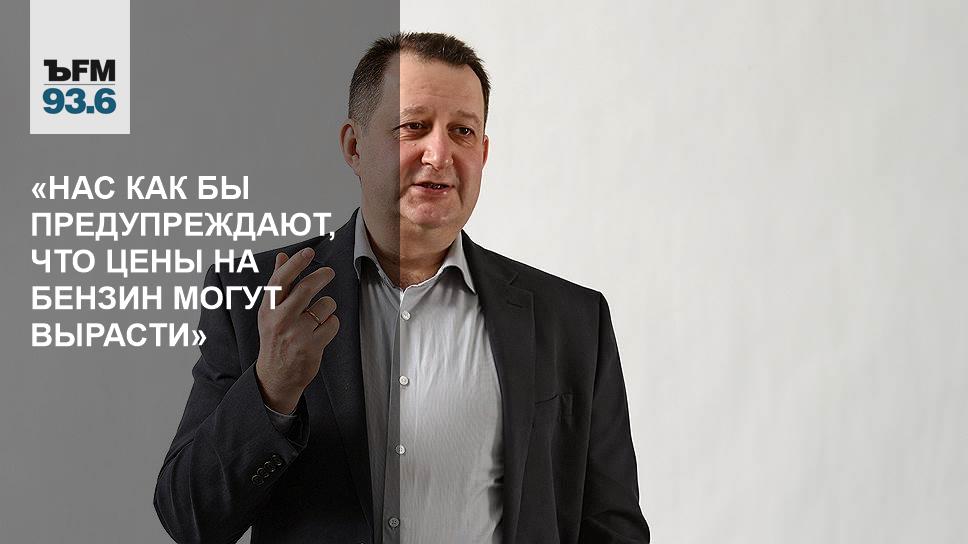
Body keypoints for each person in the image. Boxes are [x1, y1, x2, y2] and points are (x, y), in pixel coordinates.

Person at [154, 32, 649, 544]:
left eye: (462, 131)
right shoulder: (256, 294)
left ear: (483, 153)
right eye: (414, 126)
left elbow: (613, 529)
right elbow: (190, 520)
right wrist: (272, 389)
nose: (439, 153)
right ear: (354, 146)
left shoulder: (571, 319)